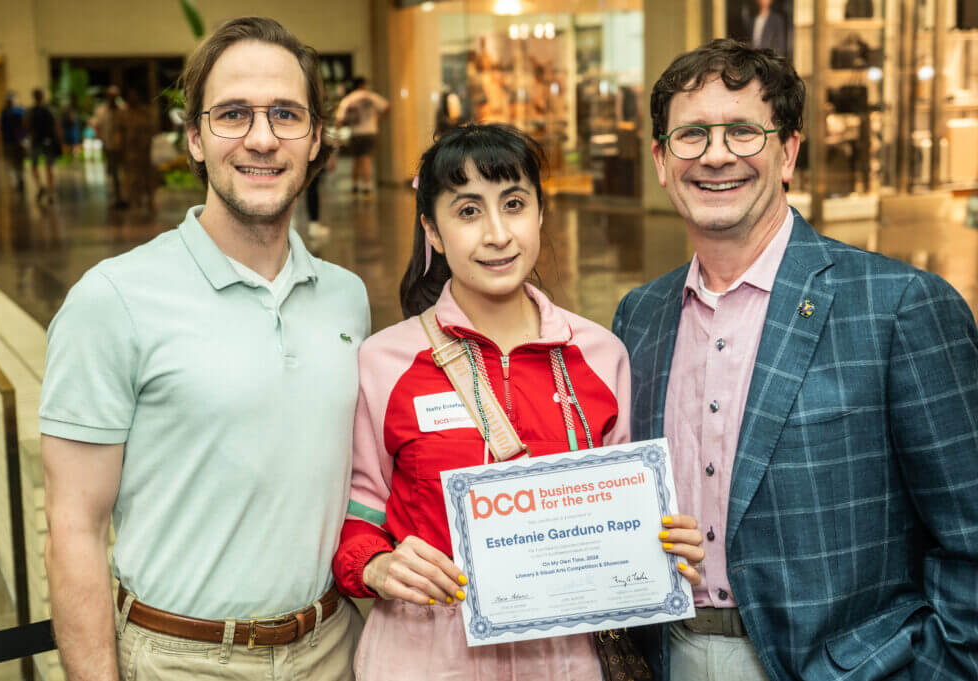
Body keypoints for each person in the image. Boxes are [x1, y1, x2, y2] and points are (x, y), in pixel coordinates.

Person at [613, 39, 978, 681]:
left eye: (744, 132)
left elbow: (970, 534)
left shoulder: (900, 307)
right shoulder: (638, 316)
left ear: (788, 152)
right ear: (662, 160)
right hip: (669, 655)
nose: (717, 154)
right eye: (692, 134)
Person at [40, 17, 369, 681]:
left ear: (316, 139)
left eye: (285, 113)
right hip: (181, 660)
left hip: (335, 647)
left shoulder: (346, 297)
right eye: (232, 114)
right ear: (193, 137)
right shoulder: (113, 299)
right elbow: (73, 525)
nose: (262, 137)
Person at [332, 123, 705, 680]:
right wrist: (379, 566)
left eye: (513, 204)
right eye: (468, 212)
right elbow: (357, 516)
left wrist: (664, 543)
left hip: (567, 661)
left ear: (540, 215)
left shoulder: (601, 356)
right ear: (432, 230)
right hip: (424, 657)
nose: (498, 233)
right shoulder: (385, 361)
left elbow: (625, 513)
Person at [335, 76, 389, 194]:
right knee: (366, 158)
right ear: (363, 85)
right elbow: (387, 107)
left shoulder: (348, 100)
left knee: (357, 160)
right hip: (370, 132)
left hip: (356, 133)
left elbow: (340, 119)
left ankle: (355, 185)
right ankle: (366, 186)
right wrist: (377, 119)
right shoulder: (372, 97)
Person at [119, 88, 157, 214]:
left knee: (147, 176)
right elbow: (121, 132)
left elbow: (152, 129)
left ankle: (150, 200)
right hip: (130, 151)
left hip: (144, 149)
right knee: (132, 177)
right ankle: (135, 201)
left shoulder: (144, 112)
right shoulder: (124, 114)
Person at [91, 85, 126, 208]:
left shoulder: (122, 110)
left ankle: (122, 197)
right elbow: (97, 126)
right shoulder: (101, 110)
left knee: (121, 173)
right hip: (109, 146)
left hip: (121, 147)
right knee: (112, 172)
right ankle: (114, 197)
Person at [25, 88, 62, 204]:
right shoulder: (49, 110)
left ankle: (40, 185)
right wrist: (59, 140)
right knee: (49, 167)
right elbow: (56, 125)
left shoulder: (31, 111)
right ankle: (50, 192)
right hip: (49, 141)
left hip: (36, 141)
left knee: (34, 166)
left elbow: (26, 124)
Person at [0, 93, 27, 192]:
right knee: (17, 161)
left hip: (13, 140)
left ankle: (18, 178)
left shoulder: (6, 112)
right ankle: (19, 178)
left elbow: (2, 128)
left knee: (15, 161)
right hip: (15, 140)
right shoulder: (19, 111)